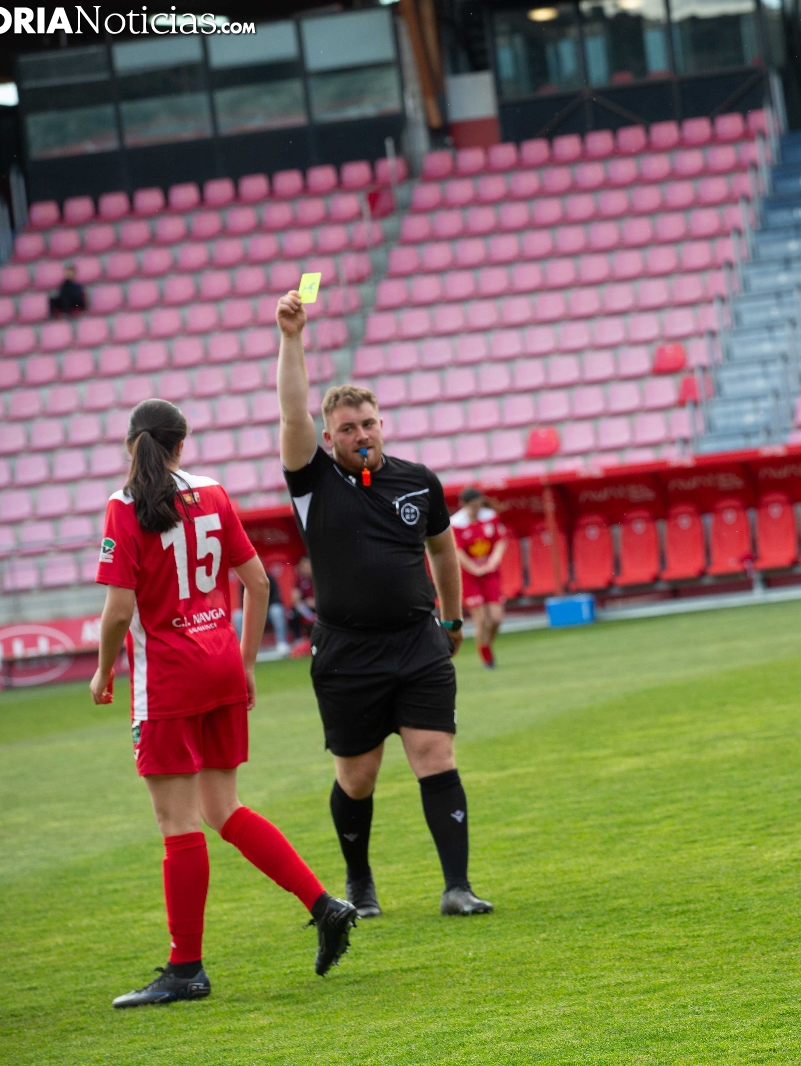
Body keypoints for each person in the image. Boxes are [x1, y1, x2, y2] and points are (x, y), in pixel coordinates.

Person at [91, 399, 356, 1009]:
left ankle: (186, 968)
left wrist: (104, 670)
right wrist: (246, 663)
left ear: (131, 444)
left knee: (178, 823)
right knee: (223, 808)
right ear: (181, 444)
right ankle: (324, 905)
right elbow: (257, 582)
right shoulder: (211, 492)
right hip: (219, 665)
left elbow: (120, 611)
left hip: (168, 680)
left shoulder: (124, 505)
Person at [275, 289, 492, 919]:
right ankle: (360, 882)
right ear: (329, 437)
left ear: (381, 423)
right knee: (357, 778)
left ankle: (457, 887)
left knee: (436, 757)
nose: (361, 434)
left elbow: (444, 551)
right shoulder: (312, 480)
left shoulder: (418, 480)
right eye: (347, 428)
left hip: (418, 641)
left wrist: (452, 617)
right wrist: (292, 338)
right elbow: (291, 414)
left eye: (368, 423)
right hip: (346, 651)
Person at [451, 487, 508, 669]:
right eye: (473, 506)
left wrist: (493, 561)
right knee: (481, 620)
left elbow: (500, 541)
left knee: (496, 618)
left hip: (490, 573)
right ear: (464, 505)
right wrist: (474, 568)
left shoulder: (489, 517)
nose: (476, 509)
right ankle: (486, 657)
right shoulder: (456, 523)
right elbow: (458, 552)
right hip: (469, 577)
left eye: (478, 505)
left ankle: (486, 643)